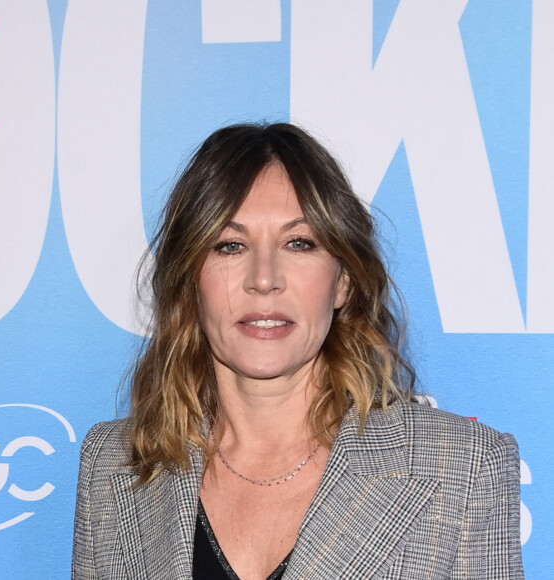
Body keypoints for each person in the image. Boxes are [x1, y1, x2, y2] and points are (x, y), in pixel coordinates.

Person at [72, 123, 525, 579]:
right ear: (191, 280)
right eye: (230, 246)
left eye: (299, 243)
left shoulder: (463, 467)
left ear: (343, 281)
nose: (264, 278)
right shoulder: (113, 464)